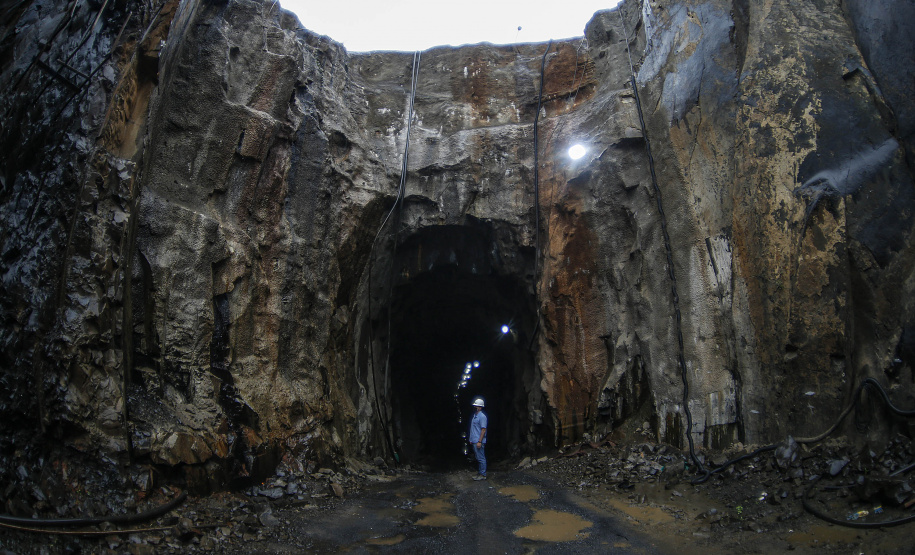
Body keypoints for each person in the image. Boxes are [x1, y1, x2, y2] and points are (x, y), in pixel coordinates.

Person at [469, 397, 487, 480]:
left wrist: (480, 441)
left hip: (478, 441)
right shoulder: (475, 416)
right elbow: (473, 428)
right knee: (478, 457)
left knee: (481, 458)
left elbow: (483, 429)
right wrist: (471, 439)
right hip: (475, 440)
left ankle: (483, 475)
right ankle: (480, 473)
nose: (475, 407)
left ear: (480, 407)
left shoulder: (482, 417)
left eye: (476, 406)